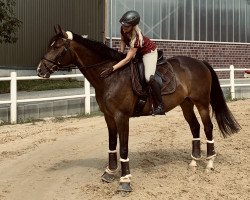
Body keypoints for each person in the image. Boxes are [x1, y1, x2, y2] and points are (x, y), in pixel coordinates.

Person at [100, 10, 164, 115]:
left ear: (133, 26)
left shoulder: (137, 38)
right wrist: (120, 52)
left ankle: (160, 105)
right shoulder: (123, 29)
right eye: (123, 25)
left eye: (127, 26)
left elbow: (127, 59)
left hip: (148, 52)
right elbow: (122, 40)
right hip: (137, 52)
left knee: (149, 77)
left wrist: (112, 68)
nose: (124, 28)